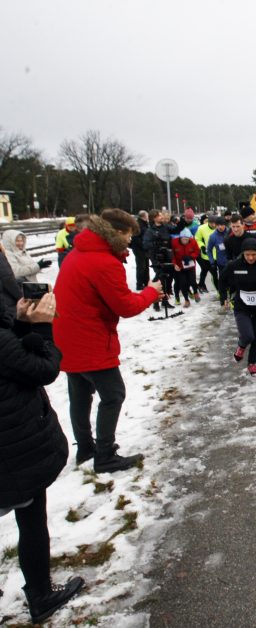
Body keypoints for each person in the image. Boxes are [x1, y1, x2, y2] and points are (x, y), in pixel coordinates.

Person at [0, 287, 85, 624]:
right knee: (32, 516)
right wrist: (43, 327)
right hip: (13, 445)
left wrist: (19, 324)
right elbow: (44, 368)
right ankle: (41, 594)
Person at [54, 209, 163, 472]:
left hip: (65, 337)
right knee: (114, 395)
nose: (129, 240)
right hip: (90, 339)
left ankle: (85, 448)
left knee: (79, 394)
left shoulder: (78, 253)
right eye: (127, 234)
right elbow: (125, 306)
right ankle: (105, 455)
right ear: (116, 232)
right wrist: (151, 292)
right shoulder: (103, 262)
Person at [223, 237, 256, 377]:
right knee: (247, 335)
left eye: (253, 254)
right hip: (242, 306)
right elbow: (222, 280)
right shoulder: (235, 265)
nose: (250, 257)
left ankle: (251, 364)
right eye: (247, 254)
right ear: (243, 254)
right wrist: (224, 298)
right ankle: (241, 346)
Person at [171, 228, 201, 307]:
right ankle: (186, 300)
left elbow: (197, 251)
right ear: (180, 238)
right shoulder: (174, 242)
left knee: (193, 281)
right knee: (183, 283)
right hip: (180, 266)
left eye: (187, 239)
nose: (185, 241)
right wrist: (174, 264)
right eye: (184, 239)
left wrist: (191, 256)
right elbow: (172, 255)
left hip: (190, 265)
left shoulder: (193, 241)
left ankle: (195, 292)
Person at [206, 216, 230, 307]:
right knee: (222, 282)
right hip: (221, 263)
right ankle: (223, 300)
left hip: (231, 261)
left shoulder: (230, 232)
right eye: (218, 225)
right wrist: (212, 261)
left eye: (222, 225)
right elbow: (209, 250)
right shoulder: (213, 236)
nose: (221, 227)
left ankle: (233, 299)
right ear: (216, 226)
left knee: (233, 281)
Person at [194, 215, 214, 293]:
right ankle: (201, 285)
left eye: (207, 220)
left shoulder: (210, 229)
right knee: (207, 269)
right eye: (205, 220)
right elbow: (197, 239)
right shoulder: (200, 229)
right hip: (200, 253)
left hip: (207, 253)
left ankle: (201, 285)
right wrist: (201, 247)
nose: (206, 222)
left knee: (205, 269)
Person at [130, 210, 150, 290]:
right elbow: (135, 238)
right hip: (139, 249)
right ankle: (139, 284)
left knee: (146, 266)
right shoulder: (138, 225)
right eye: (147, 215)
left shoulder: (144, 224)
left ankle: (146, 282)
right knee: (141, 266)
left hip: (144, 248)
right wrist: (143, 245)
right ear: (144, 216)